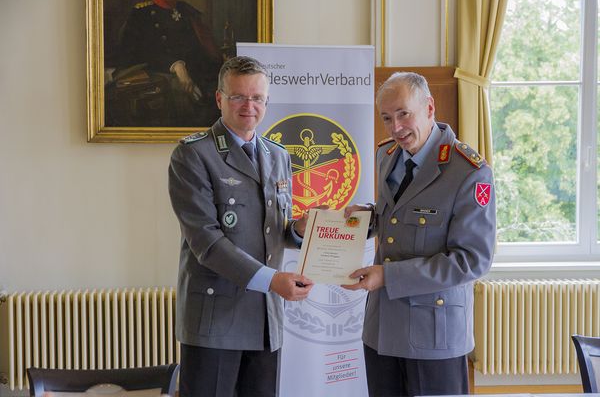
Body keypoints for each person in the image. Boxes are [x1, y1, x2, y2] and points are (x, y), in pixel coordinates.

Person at [342, 72, 496, 396]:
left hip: (433, 334)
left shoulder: (469, 171)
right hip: (382, 329)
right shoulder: (387, 157)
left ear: (429, 107)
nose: (395, 128)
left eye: (403, 114)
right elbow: (399, 215)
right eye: (386, 118)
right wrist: (366, 218)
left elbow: (473, 260)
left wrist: (388, 276)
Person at [168, 56, 314, 397]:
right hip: (215, 321)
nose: (249, 105)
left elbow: (273, 230)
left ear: (266, 101)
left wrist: (301, 229)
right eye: (238, 97)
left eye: (257, 98)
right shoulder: (193, 155)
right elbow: (207, 241)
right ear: (220, 99)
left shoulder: (277, 155)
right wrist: (272, 280)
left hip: (265, 320)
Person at [116, 0, 222, 126]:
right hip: (164, 78)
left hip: (198, 76)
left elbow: (202, 51)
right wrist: (175, 65)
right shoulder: (142, 13)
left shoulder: (187, 10)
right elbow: (137, 55)